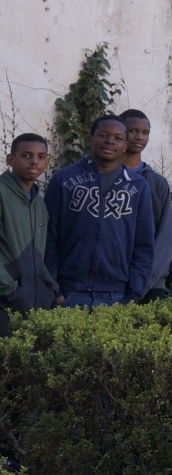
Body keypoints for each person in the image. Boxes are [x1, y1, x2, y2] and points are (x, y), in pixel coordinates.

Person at [45, 115, 155, 308]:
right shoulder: (63, 180)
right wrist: (54, 289)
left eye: (118, 138)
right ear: (90, 138)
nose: (110, 141)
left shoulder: (138, 186)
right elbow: (49, 236)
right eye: (103, 135)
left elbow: (143, 245)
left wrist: (134, 295)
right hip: (69, 291)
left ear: (125, 145)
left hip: (117, 295)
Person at [1, 133, 59, 331]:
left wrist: (52, 289)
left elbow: (36, 256)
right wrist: (14, 293)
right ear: (10, 159)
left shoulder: (38, 204)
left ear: (47, 162)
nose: (35, 162)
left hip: (29, 306)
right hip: (6, 303)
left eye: (41, 156)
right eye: (26, 155)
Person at [118, 109, 172, 300]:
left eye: (145, 132)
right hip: (109, 282)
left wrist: (145, 280)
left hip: (151, 283)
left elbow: (165, 236)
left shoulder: (157, 183)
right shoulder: (104, 178)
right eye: (133, 130)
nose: (139, 137)